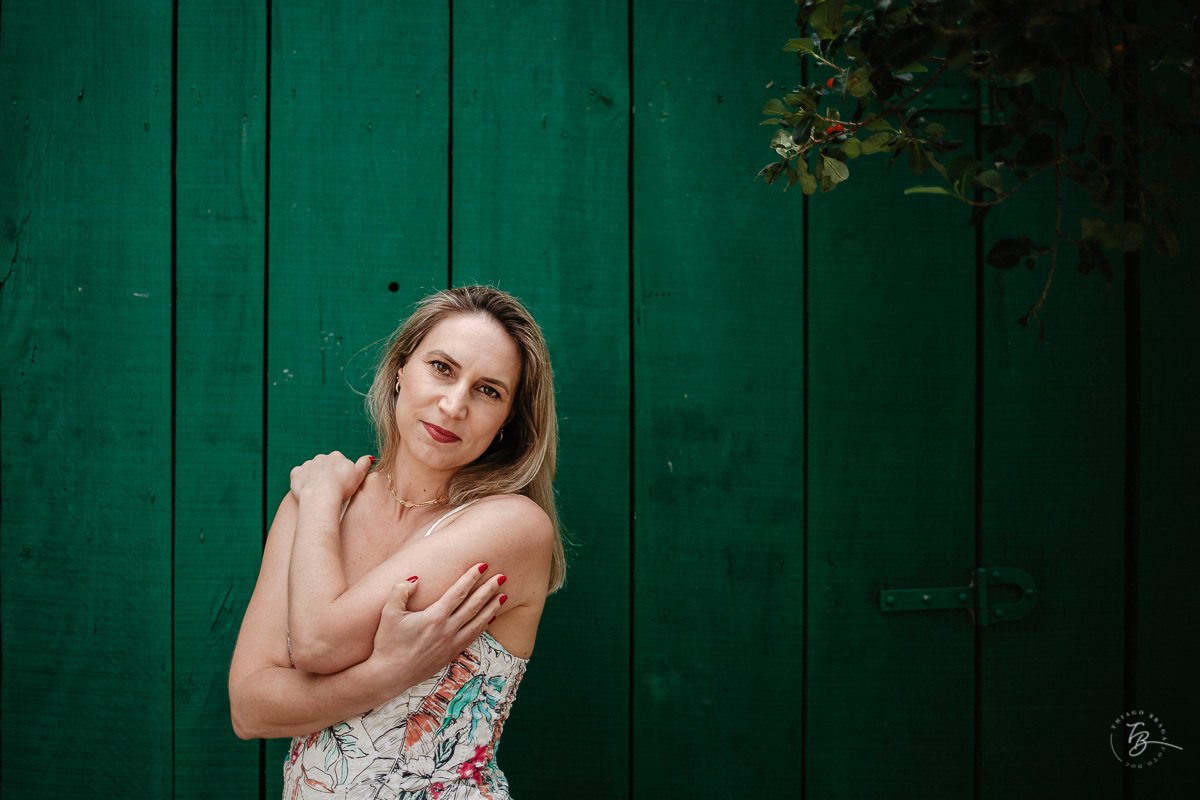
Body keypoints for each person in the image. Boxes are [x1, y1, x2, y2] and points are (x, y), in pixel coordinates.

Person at [228, 285, 565, 799]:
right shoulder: (318, 503)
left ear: (508, 422)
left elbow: (322, 642)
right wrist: (386, 673)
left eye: (488, 391)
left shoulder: (512, 526)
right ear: (402, 369)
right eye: (443, 368)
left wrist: (317, 506)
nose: (453, 405)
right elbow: (250, 709)